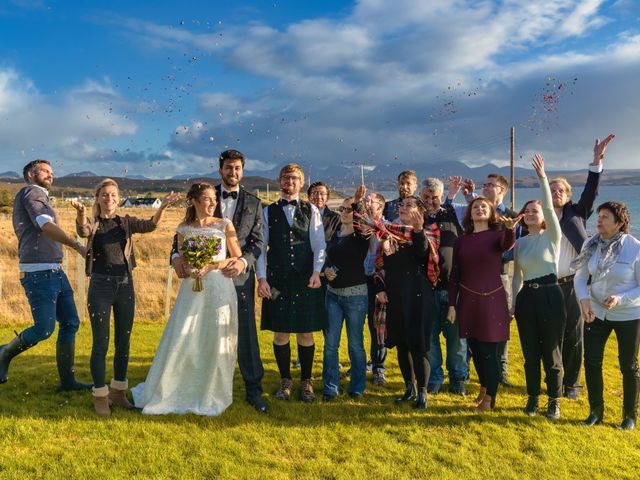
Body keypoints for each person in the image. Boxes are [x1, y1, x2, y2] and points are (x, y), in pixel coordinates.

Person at [132, 183, 242, 416]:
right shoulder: (184, 228)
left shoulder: (224, 224)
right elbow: (182, 258)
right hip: (192, 288)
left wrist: (212, 265)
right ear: (194, 200)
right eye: (207, 199)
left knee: (215, 339)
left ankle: (211, 391)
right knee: (185, 336)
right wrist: (190, 268)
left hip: (219, 286)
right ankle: (177, 387)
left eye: (214, 199)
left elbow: (236, 256)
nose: (213, 203)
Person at [170, 149, 268, 413]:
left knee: (246, 336)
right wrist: (177, 259)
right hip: (204, 285)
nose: (232, 172)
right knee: (201, 334)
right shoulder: (206, 197)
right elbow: (180, 238)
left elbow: (258, 242)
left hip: (239, 281)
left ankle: (254, 390)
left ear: (242, 170)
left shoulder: (254, 202)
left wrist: (243, 261)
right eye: (228, 168)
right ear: (220, 169)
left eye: (237, 168)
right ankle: (201, 385)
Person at [71, 179, 178, 416]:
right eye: (105, 195)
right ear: (98, 198)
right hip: (100, 286)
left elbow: (150, 225)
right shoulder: (94, 222)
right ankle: (100, 395)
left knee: (124, 342)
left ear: (118, 198)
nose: (109, 198)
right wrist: (80, 213)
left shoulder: (126, 222)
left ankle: (118, 392)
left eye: (113, 194)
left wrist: (163, 208)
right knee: (101, 343)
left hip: (125, 285)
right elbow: (82, 231)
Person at [1, 160, 90, 390]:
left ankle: (68, 382)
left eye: (52, 172)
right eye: (45, 171)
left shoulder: (40, 195)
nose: (51, 175)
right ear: (31, 174)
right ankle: (4, 353)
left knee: (70, 322)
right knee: (44, 329)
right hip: (39, 272)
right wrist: (76, 245)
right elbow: (44, 225)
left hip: (55, 271)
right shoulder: (31, 192)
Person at [550, 134, 615, 400]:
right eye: (551, 189)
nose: (555, 193)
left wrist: (596, 160)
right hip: (544, 284)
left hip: (571, 283)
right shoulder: (537, 217)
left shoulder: (576, 213)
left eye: (560, 190)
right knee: (550, 335)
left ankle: (572, 385)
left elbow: (592, 189)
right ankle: (554, 379)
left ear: (568, 196)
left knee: (574, 337)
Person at [257, 164, 326, 403]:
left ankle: (306, 381)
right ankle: (285, 380)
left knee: (306, 332)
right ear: (279, 181)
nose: (290, 181)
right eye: (286, 177)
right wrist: (262, 278)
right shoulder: (268, 211)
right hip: (278, 280)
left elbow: (319, 244)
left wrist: (317, 272)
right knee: (280, 332)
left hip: (306, 279)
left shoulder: (312, 210)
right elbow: (261, 249)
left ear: (302, 182)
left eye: (295, 178)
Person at [447, 197, 520, 411]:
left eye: (484, 207)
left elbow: (507, 244)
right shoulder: (461, 240)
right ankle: (484, 386)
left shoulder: (498, 235)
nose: (479, 209)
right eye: (475, 207)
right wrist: (452, 304)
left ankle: (490, 397)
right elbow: (455, 274)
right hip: (468, 301)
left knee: (490, 351)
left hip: (492, 301)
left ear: (491, 213)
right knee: (476, 349)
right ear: (469, 213)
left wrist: (510, 230)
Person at [573, 201, 640, 430]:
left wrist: (620, 298)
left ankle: (630, 416)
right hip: (595, 312)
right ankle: (595, 412)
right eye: (599, 216)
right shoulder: (590, 244)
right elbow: (580, 277)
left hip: (629, 314)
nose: (598, 220)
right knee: (591, 362)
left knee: (628, 365)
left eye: (605, 217)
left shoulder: (635, 247)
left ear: (620, 223)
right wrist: (584, 301)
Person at [512, 155, 565, 420]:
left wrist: (543, 178)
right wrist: (513, 303)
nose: (531, 213)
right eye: (527, 211)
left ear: (543, 216)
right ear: (522, 218)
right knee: (530, 352)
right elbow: (516, 278)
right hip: (527, 300)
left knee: (551, 351)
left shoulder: (552, 236)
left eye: (536, 210)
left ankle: (554, 400)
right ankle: (533, 398)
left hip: (551, 296)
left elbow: (548, 204)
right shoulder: (519, 244)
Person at [374, 196, 439, 409]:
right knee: (402, 344)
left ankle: (422, 392)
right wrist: (380, 288)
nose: (403, 208)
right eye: (401, 205)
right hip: (397, 295)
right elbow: (382, 267)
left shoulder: (429, 231)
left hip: (419, 296)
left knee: (417, 345)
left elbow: (423, 254)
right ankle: (408, 388)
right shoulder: (389, 233)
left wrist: (419, 229)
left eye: (409, 205)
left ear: (421, 210)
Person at [421, 178, 468, 396]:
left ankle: (458, 378)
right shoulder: (416, 218)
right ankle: (435, 377)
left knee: (456, 338)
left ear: (441, 197)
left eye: (434, 197)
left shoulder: (453, 214)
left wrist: (456, 194)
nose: (430, 201)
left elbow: (480, 210)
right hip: (427, 290)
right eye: (426, 197)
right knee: (429, 338)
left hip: (453, 288)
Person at [322, 186, 369, 400]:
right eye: (341, 209)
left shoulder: (362, 235)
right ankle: (330, 387)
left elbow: (361, 222)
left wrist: (358, 201)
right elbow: (329, 258)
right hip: (332, 294)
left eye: (348, 209)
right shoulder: (335, 233)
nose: (344, 212)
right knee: (331, 344)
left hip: (355, 296)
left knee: (355, 344)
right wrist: (326, 271)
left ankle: (357, 387)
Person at [363, 192, 388, 386]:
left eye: (371, 201)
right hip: (358, 281)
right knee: (355, 328)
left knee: (377, 329)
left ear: (381, 205)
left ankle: (379, 367)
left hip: (377, 282)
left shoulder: (388, 227)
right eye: (365, 201)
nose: (367, 203)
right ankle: (359, 365)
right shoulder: (358, 226)